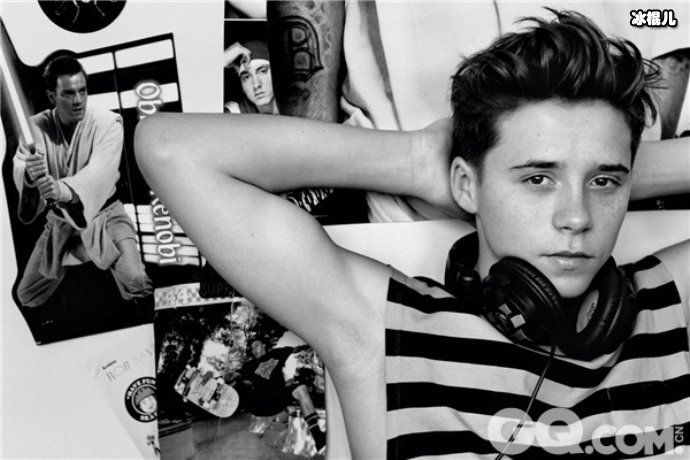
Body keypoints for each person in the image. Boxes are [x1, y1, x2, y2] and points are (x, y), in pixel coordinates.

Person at [136, 10, 689, 458]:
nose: (577, 217)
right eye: (538, 179)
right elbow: (168, 149)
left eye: (605, 183)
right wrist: (418, 159)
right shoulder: (387, 334)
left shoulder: (673, 305)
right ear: (466, 185)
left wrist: (619, 164)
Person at [267, 0, 690, 222]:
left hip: (614, 200)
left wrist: (635, 156)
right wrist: (319, 176)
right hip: (401, 202)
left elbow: (666, 16)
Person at [13, 55, 151, 308]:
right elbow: (22, 169)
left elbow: (99, 173)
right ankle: (79, 251)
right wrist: (30, 176)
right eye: (68, 93)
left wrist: (61, 189)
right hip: (60, 221)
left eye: (82, 91)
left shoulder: (107, 122)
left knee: (136, 281)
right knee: (27, 295)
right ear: (52, 96)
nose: (78, 100)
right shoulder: (36, 128)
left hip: (106, 216)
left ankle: (86, 251)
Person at [225, 337, 326, 451]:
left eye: (256, 346)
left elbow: (295, 349)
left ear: (263, 345)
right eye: (252, 348)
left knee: (301, 389)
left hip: (276, 401)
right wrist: (230, 376)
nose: (254, 350)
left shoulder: (277, 353)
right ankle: (222, 399)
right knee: (240, 383)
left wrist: (311, 345)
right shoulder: (249, 365)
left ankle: (319, 438)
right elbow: (236, 374)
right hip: (258, 404)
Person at [224, 40, 278, 114]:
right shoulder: (235, 113)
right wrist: (221, 61)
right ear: (242, 87)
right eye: (246, 77)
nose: (256, 85)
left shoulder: (293, 106)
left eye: (263, 71)